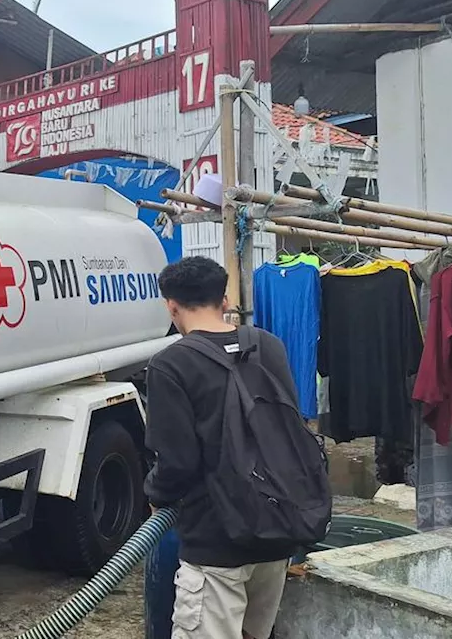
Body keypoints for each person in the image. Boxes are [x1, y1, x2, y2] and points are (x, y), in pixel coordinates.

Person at [143, 256, 301, 639]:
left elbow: (177, 463)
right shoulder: (268, 345)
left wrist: (155, 494)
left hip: (217, 541)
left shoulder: (169, 365)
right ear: (225, 300)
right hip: (278, 528)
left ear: (172, 307)